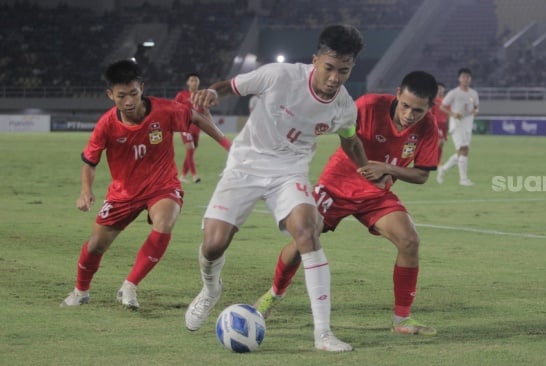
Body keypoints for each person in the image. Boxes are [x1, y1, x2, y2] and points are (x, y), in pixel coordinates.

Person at [184, 25, 369, 352]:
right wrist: (212, 94)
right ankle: (210, 290)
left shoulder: (344, 107)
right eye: (329, 68)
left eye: (344, 70)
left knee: (308, 232)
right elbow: (229, 87)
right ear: (315, 60)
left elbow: (350, 139)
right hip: (245, 164)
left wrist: (365, 168)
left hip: (290, 170)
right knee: (214, 245)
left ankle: (323, 334)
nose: (334, 78)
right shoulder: (279, 76)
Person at [253, 71, 440, 337]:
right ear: (398, 94)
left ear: (430, 108)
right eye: (406, 105)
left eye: (418, 111)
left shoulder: (428, 126)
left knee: (410, 241)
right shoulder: (368, 106)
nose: (409, 115)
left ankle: (402, 319)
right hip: (337, 185)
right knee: (304, 238)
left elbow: (422, 175)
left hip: (376, 193)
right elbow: (328, 125)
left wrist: (386, 169)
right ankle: (272, 296)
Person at [60, 60, 231, 310]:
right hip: (123, 193)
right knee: (96, 245)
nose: (128, 101)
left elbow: (195, 117)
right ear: (110, 95)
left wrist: (229, 147)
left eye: (133, 93)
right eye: (121, 96)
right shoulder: (106, 125)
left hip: (161, 186)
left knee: (165, 221)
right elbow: (89, 163)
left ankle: (130, 286)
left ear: (141, 87)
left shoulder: (164, 110)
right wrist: (85, 192)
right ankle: (81, 291)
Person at [436, 68, 479, 186]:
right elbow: (442, 106)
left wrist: (475, 111)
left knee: (463, 151)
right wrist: (453, 114)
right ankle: (463, 179)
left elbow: (476, 106)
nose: (466, 79)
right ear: (459, 79)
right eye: (463, 77)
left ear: (470, 79)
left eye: (468, 77)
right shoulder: (453, 93)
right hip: (457, 123)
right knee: (463, 149)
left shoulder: (473, 93)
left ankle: (443, 169)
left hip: (468, 123)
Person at [175, 73, 204, 183]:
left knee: (190, 152)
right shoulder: (181, 95)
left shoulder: (201, 96)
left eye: (196, 80)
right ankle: (195, 175)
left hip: (197, 127)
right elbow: (174, 108)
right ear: (188, 82)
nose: (194, 82)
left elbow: (204, 111)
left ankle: (182, 176)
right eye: (192, 80)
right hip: (185, 126)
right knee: (190, 148)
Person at [430, 82, 448, 159]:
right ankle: (432, 158)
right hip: (436, 124)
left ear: (444, 90)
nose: (440, 90)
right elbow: (430, 113)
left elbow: (448, 114)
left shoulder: (446, 101)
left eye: (441, 89)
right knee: (439, 142)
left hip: (443, 125)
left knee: (442, 143)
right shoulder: (433, 100)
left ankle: (437, 161)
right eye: (438, 89)